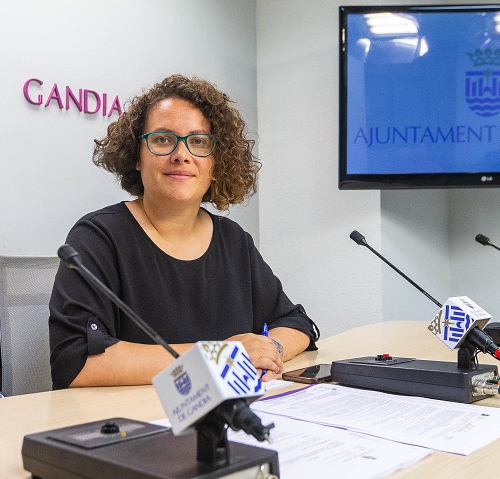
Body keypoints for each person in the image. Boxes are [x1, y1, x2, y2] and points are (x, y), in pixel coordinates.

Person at [49, 74, 319, 389]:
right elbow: (76, 362)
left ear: (217, 162)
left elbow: (296, 324)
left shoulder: (233, 240)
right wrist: (219, 357)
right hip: (137, 416)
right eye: (163, 139)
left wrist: (270, 350)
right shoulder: (98, 237)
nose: (181, 154)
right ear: (137, 156)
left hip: (232, 413)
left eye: (199, 142)